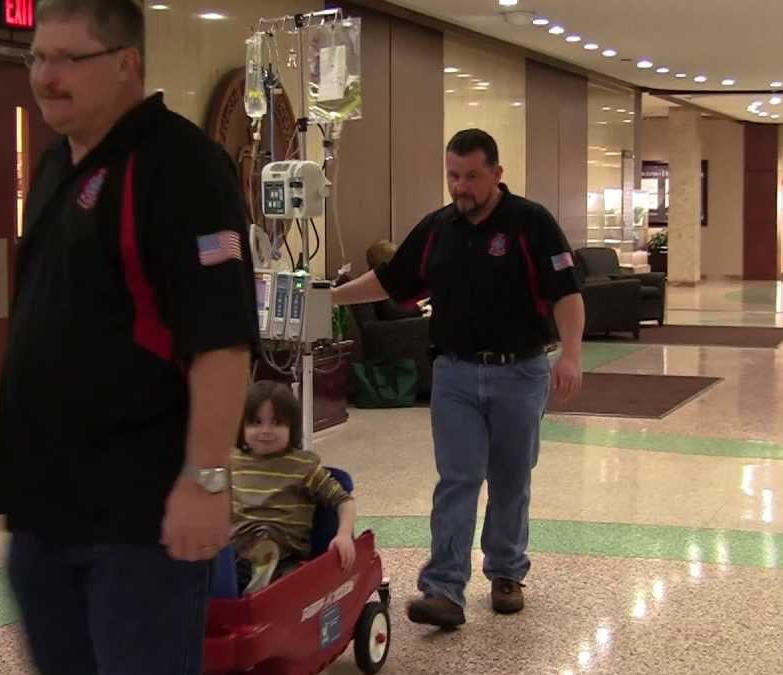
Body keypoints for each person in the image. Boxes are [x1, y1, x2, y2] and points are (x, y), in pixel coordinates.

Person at [0, 1, 257, 675]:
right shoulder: (53, 165)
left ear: (127, 64)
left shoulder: (182, 167)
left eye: (67, 59)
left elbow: (222, 337)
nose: (46, 77)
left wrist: (205, 480)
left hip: (139, 511)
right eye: (36, 57)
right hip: (45, 503)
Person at [332, 128, 586, 628]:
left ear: (497, 174)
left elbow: (567, 293)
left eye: (472, 176)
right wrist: (327, 298)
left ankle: (506, 572)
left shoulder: (531, 223)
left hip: (520, 371)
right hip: (454, 375)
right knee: (458, 479)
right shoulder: (438, 229)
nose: (461, 186)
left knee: (511, 478)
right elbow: (391, 281)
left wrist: (572, 354)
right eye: (453, 175)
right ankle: (444, 589)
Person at [231, 381, 357, 594]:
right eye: (256, 422)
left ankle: (262, 580)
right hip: (237, 553)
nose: (266, 431)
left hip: (286, 557)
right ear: (242, 427)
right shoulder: (232, 462)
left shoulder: (303, 466)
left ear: (292, 427)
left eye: (277, 422)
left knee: (292, 589)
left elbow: (344, 500)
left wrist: (344, 535)